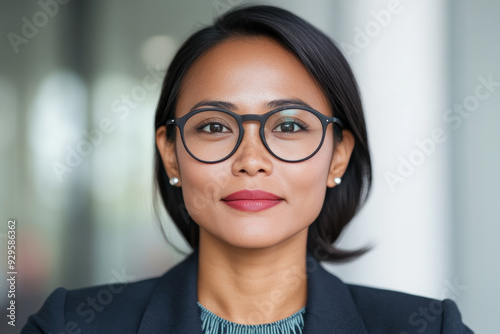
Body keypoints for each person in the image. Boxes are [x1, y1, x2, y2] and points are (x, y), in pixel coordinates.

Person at [22, 5, 473, 334]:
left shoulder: (430, 328)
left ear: (338, 155)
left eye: (290, 125)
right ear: (172, 154)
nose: (252, 160)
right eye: (215, 126)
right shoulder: (70, 325)